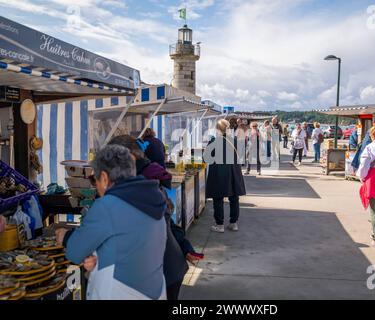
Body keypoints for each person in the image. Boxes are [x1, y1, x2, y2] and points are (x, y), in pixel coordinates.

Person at [56, 145, 167, 300]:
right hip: (155, 291)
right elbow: (131, 245)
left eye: (95, 180)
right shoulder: (151, 199)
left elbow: (74, 252)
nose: (96, 186)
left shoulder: (107, 205)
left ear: (104, 177)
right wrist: (99, 258)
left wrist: (65, 236)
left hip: (121, 293)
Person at [108, 135, 202, 300]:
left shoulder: (137, 184)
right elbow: (167, 221)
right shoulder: (145, 181)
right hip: (170, 267)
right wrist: (185, 247)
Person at [205, 119, 246, 233]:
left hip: (219, 172)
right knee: (234, 198)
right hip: (233, 171)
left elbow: (206, 158)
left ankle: (220, 225)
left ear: (218, 129)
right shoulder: (235, 141)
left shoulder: (214, 141)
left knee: (218, 198)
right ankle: (233, 223)